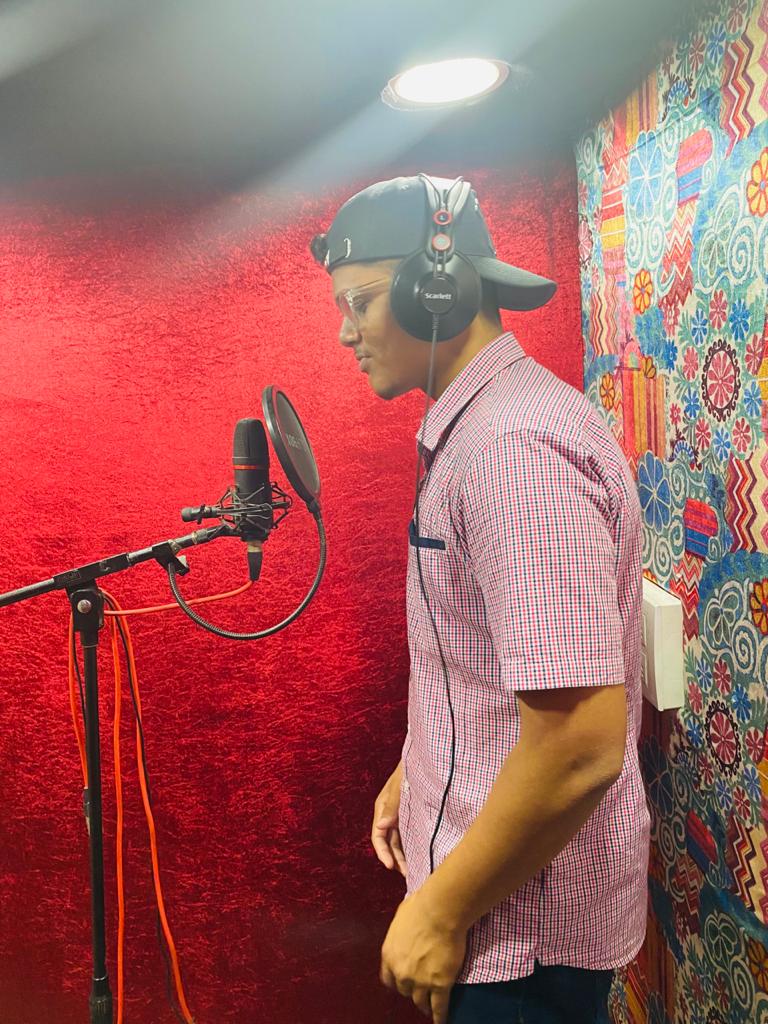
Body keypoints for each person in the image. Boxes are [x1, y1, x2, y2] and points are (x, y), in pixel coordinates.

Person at [309, 174, 650, 1024]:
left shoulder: (512, 453)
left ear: (437, 291)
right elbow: (490, 661)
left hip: (518, 946)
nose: (345, 332)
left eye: (359, 303)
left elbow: (577, 745)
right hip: (500, 918)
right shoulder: (488, 426)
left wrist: (439, 911)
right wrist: (420, 764)